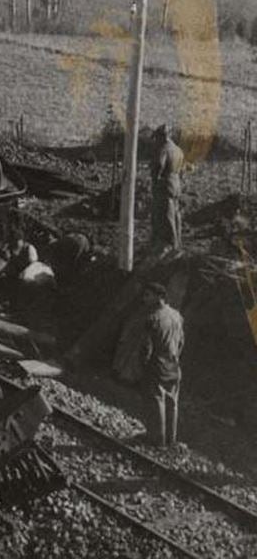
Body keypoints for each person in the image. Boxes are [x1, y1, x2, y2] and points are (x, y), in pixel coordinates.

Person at [138, 281, 184, 447]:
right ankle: (170, 440)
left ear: (160, 297)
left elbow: (146, 348)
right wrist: (174, 358)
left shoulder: (152, 318)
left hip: (156, 366)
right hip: (174, 365)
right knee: (172, 403)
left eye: (147, 295)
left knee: (156, 401)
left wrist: (143, 365)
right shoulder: (177, 316)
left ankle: (157, 440)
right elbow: (181, 343)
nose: (144, 299)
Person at [150, 125, 184, 251]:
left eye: (157, 138)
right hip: (176, 183)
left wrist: (155, 179)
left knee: (166, 215)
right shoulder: (178, 150)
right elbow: (181, 169)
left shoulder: (164, 149)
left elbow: (159, 164)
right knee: (176, 214)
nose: (156, 141)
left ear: (162, 137)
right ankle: (178, 241)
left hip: (165, 184)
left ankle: (171, 244)